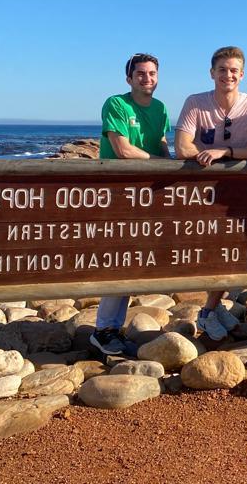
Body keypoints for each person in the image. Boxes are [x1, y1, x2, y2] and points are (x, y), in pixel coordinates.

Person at [174, 46, 247, 340]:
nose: (227, 75)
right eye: (222, 70)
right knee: (214, 249)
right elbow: (182, 147)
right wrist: (207, 157)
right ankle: (209, 311)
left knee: (235, 249)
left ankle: (211, 309)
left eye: (233, 70)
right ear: (212, 73)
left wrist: (225, 151)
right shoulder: (196, 102)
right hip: (201, 192)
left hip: (241, 192)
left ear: (241, 74)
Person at [91, 53, 171, 356]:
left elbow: (161, 142)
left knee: (132, 257)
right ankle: (104, 329)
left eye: (152, 74)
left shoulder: (162, 108)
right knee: (117, 256)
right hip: (115, 193)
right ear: (129, 79)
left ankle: (112, 326)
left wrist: (173, 168)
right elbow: (122, 150)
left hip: (146, 193)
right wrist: (164, 163)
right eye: (140, 74)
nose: (146, 78)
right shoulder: (116, 104)